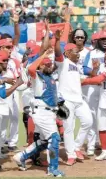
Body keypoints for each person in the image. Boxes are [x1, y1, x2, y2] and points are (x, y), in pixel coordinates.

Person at [13, 48, 65, 177]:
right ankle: (53, 169)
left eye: (49, 64)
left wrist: (59, 104)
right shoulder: (37, 76)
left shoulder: (50, 77)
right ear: (40, 65)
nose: (48, 65)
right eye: (45, 64)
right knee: (54, 139)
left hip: (48, 113)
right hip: (42, 113)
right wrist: (43, 56)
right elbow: (31, 69)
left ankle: (21, 157)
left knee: (44, 142)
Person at [55, 41, 93, 166]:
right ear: (68, 53)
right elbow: (58, 54)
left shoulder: (77, 66)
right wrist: (56, 40)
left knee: (88, 121)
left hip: (79, 99)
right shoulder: (63, 63)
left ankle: (76, 147)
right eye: (76, 52)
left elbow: (82, 79)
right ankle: (70, 154)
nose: (78, 54)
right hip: (66, 100)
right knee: (68, 127)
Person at [82, 30, 106, 156]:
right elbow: (85, 69)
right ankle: (91, 145)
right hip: (94, 88)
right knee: (93, 117)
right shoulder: (92, 53)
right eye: (102, 39)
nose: (105, 41)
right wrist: (94, 71)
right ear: (98, 41)